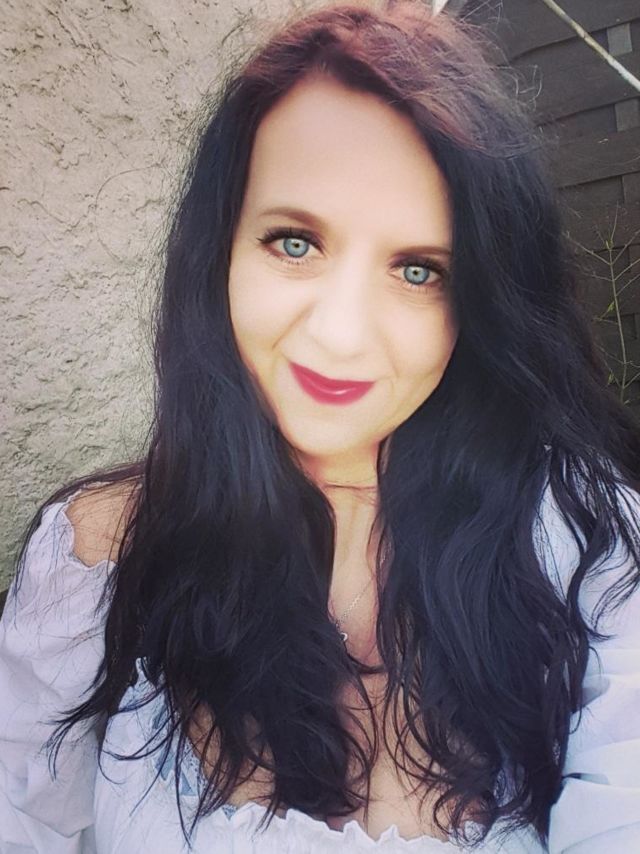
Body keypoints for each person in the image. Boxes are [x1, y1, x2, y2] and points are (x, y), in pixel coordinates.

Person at [1, 1, 639, 851]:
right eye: (295, 243)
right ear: (220, 251)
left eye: (418, 270)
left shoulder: (583, 543)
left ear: (478, 301)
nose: (340, 336)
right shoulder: (98, 561)